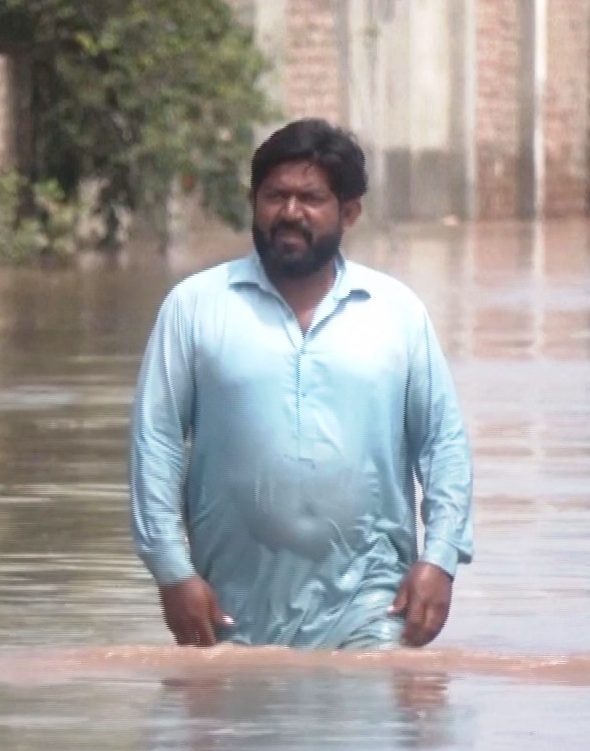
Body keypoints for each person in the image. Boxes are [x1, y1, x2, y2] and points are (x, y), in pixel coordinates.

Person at [128, 119, 474, 651]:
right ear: (253, 202)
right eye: (276, 196)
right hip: (228, 614)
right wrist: (173, 573)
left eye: (311, 198)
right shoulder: (195, 307)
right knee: (234, 735)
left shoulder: (396, 313)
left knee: (376, 724)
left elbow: (442, 444)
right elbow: (156, 442)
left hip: (373, 609)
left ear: (349, 211)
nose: (290, 212)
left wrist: (440, 559)